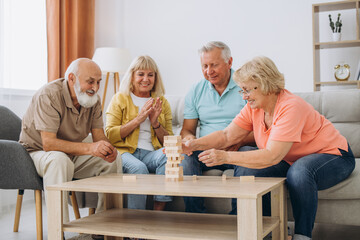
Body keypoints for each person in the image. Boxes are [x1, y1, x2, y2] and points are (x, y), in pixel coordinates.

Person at [182, 56, 355, 240]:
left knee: (300, 171)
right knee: (251, 168)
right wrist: (194, 144)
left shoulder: (290, 106)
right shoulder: (254, 108)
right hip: (290, 158)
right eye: (242, 90)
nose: (244, 96)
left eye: (248, 90)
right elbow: (226, 135)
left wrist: (225, 157)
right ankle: (265, 232)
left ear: (265, 84)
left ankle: (302, 235)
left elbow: (272, 155)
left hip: (333, 155)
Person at [19, 58, 121, 224]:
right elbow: (49, 144)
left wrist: (107, 149)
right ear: (72, 78)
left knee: (112, 161)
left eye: (98, 82)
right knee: (59, 160)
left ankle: (105, 225)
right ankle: (58, 230)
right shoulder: (49, 95)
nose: (95, 88)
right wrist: (91, 148)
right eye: (90, 82)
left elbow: (99, 137)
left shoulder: (93, 100)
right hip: (36, 153)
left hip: (71, 153)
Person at [106, 55, 187, 211]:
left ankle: (158, 211)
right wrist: (139, 119)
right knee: (139, 168)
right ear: (132, 76)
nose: (146, 79)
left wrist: (155, 122)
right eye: (141, 74)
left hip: (151, 154)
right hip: (125, 153)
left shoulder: (162, 102)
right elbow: (110, 135)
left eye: (150, 75)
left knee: (169, 154)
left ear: (156, 78)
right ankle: (136, 221)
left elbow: (168, 141)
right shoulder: (120, 98)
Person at [180, 41, 248, 213]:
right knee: (186, 159)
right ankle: (195, 216)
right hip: (205, 150)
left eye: (214, 65)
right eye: (204, 66)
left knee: (249, 156)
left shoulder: (245, 87)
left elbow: (258, 128)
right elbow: (188, 129)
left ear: (229, 62)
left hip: (238, 148)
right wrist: (189, 140)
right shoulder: (196, 90)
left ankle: (238, 218)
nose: (209, 71)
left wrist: (237, 141)